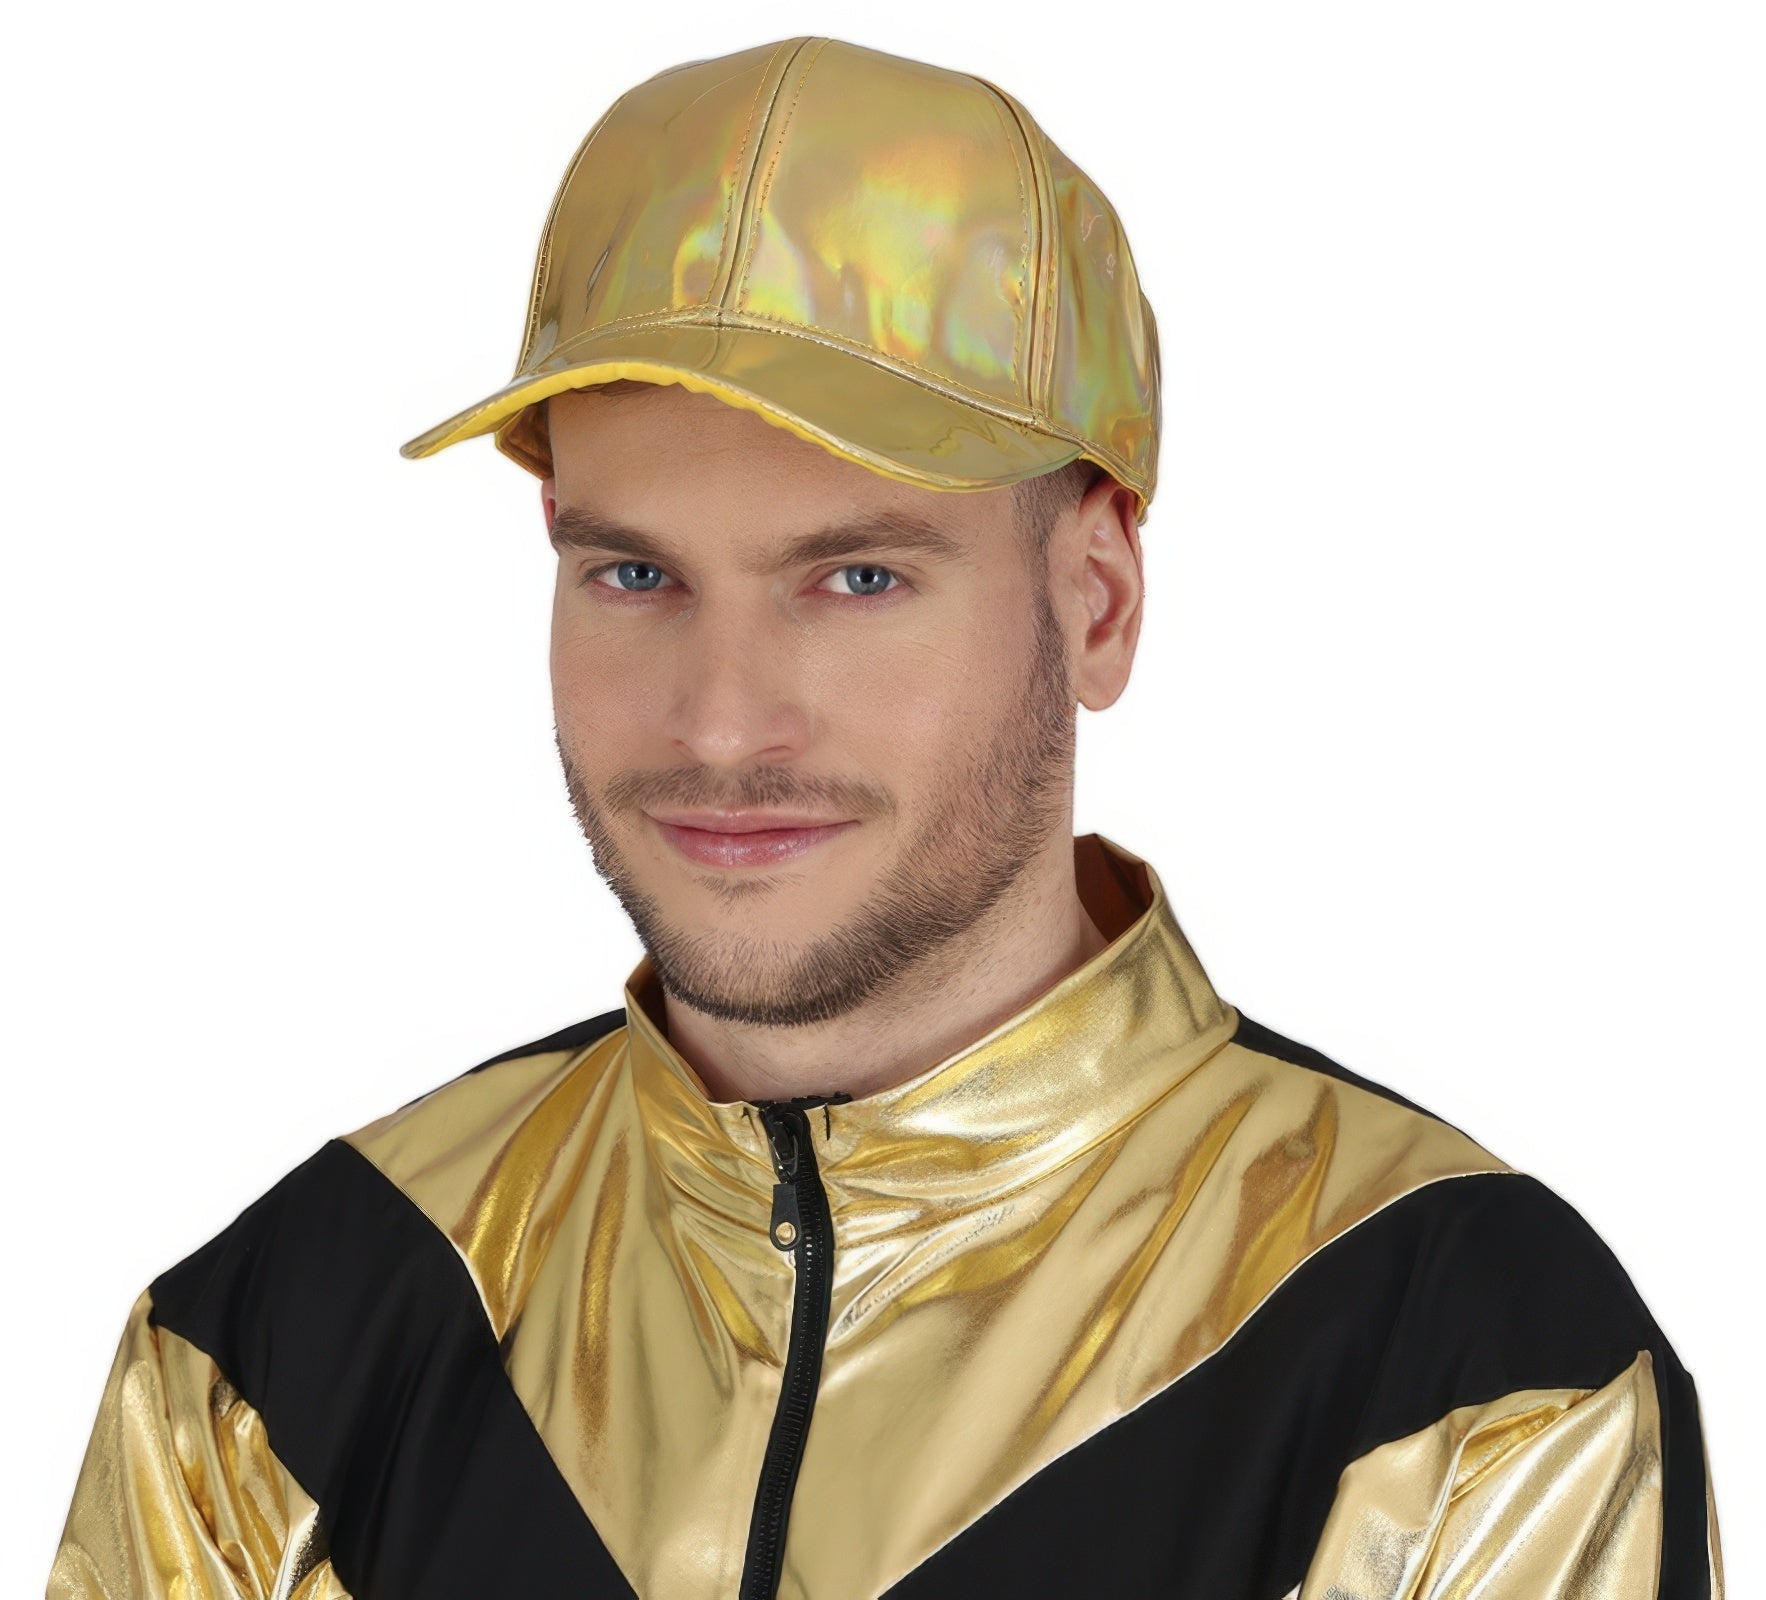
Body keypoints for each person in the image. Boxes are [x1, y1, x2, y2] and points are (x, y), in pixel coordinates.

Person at [51, 34, 1722, 1600]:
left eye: (856, 578)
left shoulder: (1455, 1371)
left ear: (1095, 600)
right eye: (633, 574)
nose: (720, 724)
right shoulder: (277, 1351)